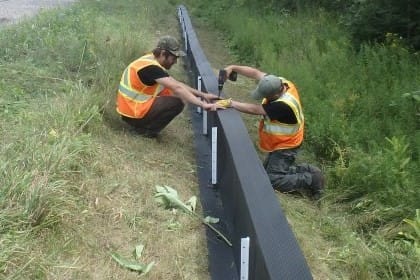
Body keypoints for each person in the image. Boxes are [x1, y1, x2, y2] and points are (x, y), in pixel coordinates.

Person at [219, 65, 325, 199]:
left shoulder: (283, 105)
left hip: (287, 144)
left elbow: (255, 110)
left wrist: (230, 103)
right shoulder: (279, 82)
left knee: (272, 180)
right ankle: (309, 170)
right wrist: (233, 67)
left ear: (275, 94)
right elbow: (256, 73)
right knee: (266, 172)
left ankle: (310, 179)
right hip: (282, 140)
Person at [116, 35, 222, 137]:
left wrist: (203, 95)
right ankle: (145, 131)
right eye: (174, 58)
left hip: (130, 109)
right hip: (133, 112)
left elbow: (177, 84)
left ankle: (143, 125)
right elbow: (177, 88)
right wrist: (202, 105)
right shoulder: (151, 68)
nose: (175, 62)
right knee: (178, 101)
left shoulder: (150, 60)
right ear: (163, 53)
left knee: (173, 91)